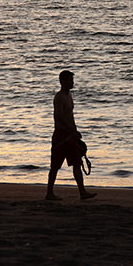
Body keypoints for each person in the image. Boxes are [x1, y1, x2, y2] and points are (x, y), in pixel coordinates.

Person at [46, 70, 96, 201]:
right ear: (62, 81)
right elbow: (58, 117)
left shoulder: (69, 96)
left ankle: (82, 192)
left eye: (72, 80)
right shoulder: (59, 97)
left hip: (70, 134)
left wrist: (75, 130)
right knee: (55, 165)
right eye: (69, 80)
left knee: (77, 163)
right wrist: (71, 130)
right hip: (61, 135)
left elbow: (70, 116)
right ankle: (49, 193)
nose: (72, 82)